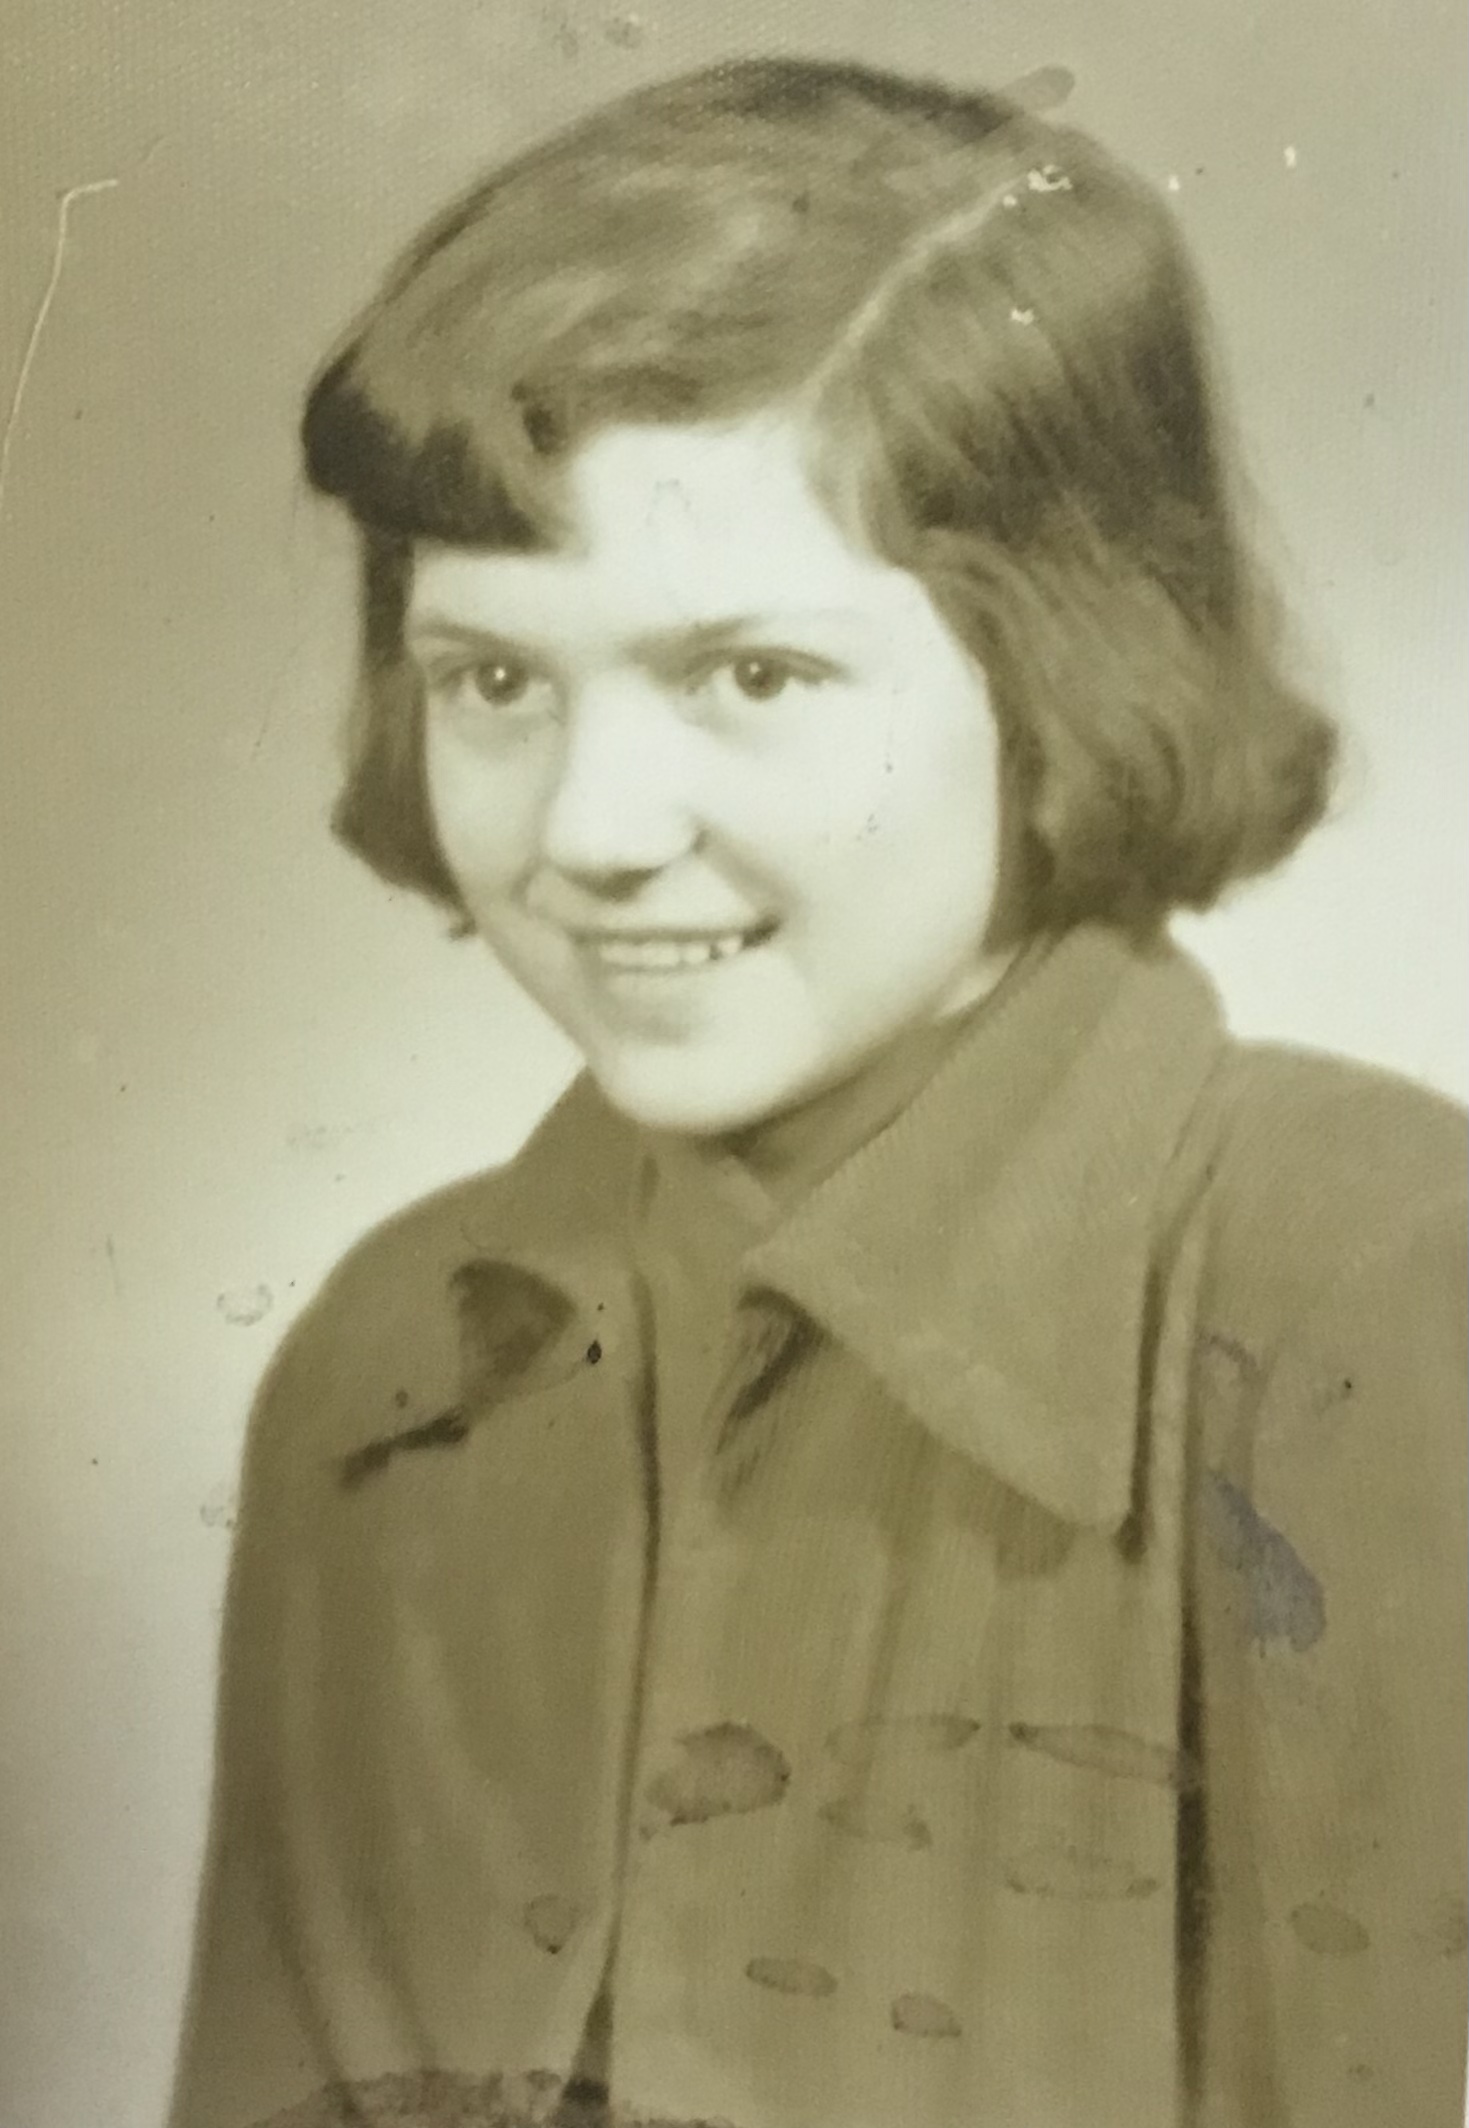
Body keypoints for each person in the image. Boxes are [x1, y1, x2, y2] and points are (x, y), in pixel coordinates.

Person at [167, 55, 1467, 2128]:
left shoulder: (1380, 1304)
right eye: (494, 679)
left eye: (750, 676)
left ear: (1066, 669)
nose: (588, 828)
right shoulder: (391, 1366)